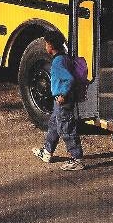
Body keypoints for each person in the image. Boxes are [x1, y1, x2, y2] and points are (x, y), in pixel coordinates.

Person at [31, 30, 85, 171]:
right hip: (59, 101)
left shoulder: (58, 62)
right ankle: (47, 152)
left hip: (63, 100)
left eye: (46, 44)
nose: (45, 47)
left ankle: (77, 159)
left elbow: (69, 79)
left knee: (66, 128)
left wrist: (63, 94)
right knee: (54, 124)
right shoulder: (64, 58)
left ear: (50, 45)